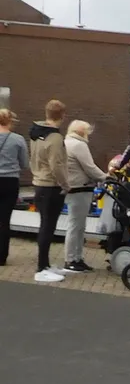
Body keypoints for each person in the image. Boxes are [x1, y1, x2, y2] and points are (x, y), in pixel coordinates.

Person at [29, 100, 71, 282]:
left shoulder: (36, 133)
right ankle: (41, 268)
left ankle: (45, 264)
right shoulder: (55, 138)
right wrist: (65, 184)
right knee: (48, 226)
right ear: (62, 115)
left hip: (39, 182)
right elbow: (57, 164)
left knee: (45, 225)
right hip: (51, 186)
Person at [63, 120, 108, 274]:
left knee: (75, 225)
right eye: (87, 131)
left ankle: (75, 258)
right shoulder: (79, 145)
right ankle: (72, 259)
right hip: (80, 189)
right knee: (77, 226)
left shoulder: (66, 142)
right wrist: (106, 177)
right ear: (82, 131)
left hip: (71, 188)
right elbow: (89, 167)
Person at [0, 108, 30, 267]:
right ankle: (2, 256)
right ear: (10, 121)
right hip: (10, 181)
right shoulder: (18, 139)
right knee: (4, 220)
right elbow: (25, 163)